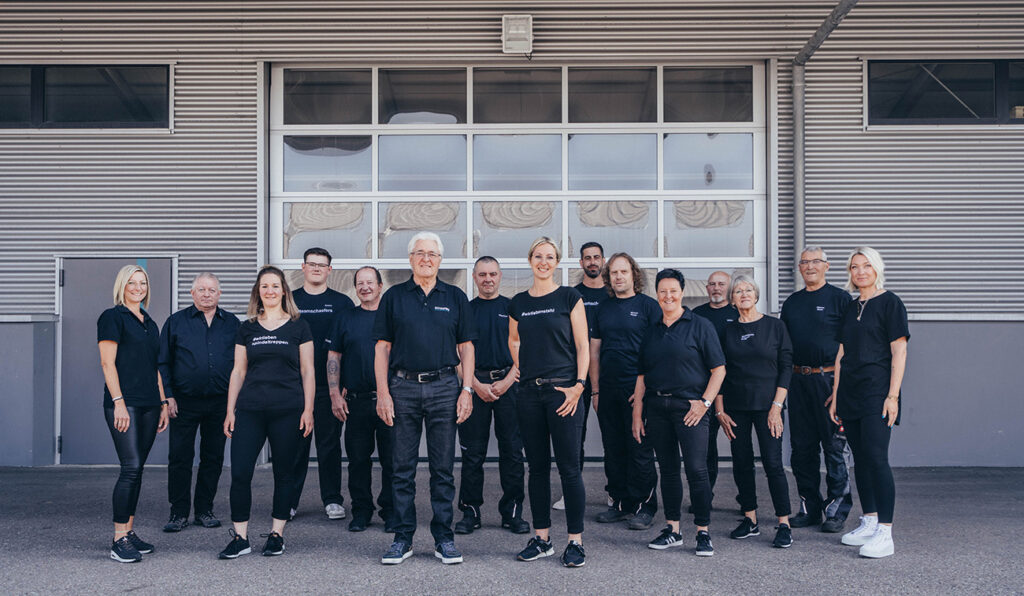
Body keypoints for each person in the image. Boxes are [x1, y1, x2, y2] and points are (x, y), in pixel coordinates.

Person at [374, 232, 475, 566]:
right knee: (401, 469)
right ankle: (402, 539)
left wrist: (467, 389)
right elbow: (382, 348)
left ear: (441, 260)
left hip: (445, 386)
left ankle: (443, 539)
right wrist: (384, 393)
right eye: (420, 253)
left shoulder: (456, 297)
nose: (426, 258)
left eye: (432, 253)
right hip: (401, 388)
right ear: (410, 259)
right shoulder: (394, 298)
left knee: (442, 469)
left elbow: (466, 348)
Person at [218, 265, 315, 560]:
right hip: (250, 410)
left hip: (288, 409)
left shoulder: (299, 325)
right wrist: (230, 410)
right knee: (240, 473)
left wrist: (308, 409)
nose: (270, 291)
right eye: (264, 286)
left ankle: (276, 534)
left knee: (284, 473)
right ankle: (240, 537)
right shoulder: (246, 327)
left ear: (284, 291)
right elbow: (238, 371)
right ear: (258, 292)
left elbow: (308, 371)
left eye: (275, 286)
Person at [631, 269, 725, 556]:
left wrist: (705, 403)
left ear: (682, 292)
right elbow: (642, 375)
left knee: (697, 471)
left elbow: (718, 370)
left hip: (690, 409)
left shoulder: (700, 325)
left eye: (673, 290)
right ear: (656, 294)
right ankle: (673, 529)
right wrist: (637, 414)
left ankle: (703, 532)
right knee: (668, 470)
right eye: (662, 291)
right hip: (658, 408)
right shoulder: (651, 330)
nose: (668, 296)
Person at [509, 237, 590, 568]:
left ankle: (575, 541)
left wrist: (579, 386)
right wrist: (521, 368)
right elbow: (514, 339)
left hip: (564, 394)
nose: (543, 261)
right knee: (537, 469)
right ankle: (542, 538)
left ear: (557, 262)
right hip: (529, 394)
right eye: (538, 256)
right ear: (530, 260)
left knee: (570, 469)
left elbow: (583, 346)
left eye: (550, 257)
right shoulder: (518, 303)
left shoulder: (570, 297)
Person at [830, 247, 909, 559]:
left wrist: (892, 396)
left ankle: (885, 533)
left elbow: (899, 353)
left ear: (877, 268)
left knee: (876, 458)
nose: (860, 272)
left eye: (866, 266)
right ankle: (870, 520)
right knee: (860, 459)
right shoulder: (851, 308)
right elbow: (841, 355)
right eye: (854, 267)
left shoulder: (891, 303)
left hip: (877, 392)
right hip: (850, 393)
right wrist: (836, 396)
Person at [97, 265, 170, 563]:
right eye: (132, 283)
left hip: (151, 404)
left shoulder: (149, 322)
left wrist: (164, 403)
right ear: (122, 286)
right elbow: (107, 364)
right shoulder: (112, 317)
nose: (138, 287)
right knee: (130, 467)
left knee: (138, 469)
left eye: (142, 283)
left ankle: (128, 531)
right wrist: (118, 402)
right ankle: (117, 539)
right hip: (124, 404)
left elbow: (156, 367)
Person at [716, 275, 795, 548]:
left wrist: (777, 406)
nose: (744, 294)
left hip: (769, 407)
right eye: (738, 291)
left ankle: (784, 522)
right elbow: (720, 372)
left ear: (757, 294)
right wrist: (719, 410)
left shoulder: (775, 326)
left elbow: (786, 368)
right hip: (736, 408)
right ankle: (750, 518)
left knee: (773, 464)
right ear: (732, 299)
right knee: (741, 463)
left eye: (748, 289)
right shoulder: (727, 331)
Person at [158, 272, 240, 533]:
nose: (207, 294)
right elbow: (162, 362)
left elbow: (241, 363)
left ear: (220, 294)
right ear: (192, 294)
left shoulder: (232, 323)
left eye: (212, 290)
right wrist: (167, 395)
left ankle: (204, 509)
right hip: (183, 402)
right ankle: (178, 512)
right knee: (180, 457)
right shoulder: (175, 323)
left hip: (219, 402)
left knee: (213, 457)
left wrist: (234, 402)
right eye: (202, 290)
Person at [780, 247, 854, 533]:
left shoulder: (840, 299)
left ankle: (835, 510)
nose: (809, 266)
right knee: (802, 449)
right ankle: (809, 507)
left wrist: (840, 388)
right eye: (804, 262)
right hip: (798, 382)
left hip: (829, 382)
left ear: (827, 266)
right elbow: (784, 348)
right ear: (799, 268)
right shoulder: (792, 303)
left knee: (835, 447)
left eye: (815, 262)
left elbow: (850, 346)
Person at [455, 257, 530, 535]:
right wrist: (474, 384)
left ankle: (512, 512)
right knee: (472, 455)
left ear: (500, 277)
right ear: (474, 277)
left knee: (512, 452)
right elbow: (457, 352)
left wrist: (509, 380)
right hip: (474, 388)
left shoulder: (512, 308)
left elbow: (523, 347)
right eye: (482, 274)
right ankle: (470, 512)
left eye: (493, 274)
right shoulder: (466, 309)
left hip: (510, 387)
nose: (488, 279)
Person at [590, 253, 660, 530]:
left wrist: (645, 391)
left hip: (637, 391)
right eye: (614, 273)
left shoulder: (648, 307)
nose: (619, 277)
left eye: (624, 272)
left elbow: (658, 350)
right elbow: (594, 352)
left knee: (640, 450)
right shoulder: (602, 308)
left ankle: (645, 506)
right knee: (614, 449)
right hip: (608, 390)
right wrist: (595, 391)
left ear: (634, 275)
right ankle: (620, 503)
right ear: (609, 278)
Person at [287, 247, 355, 521]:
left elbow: (349, 346)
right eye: (311, 264)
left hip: (329, 388)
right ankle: (289, 501)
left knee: (329, 445)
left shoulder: (341, 303)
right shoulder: (288, 301)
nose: (316, 268)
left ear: (330, 270)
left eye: (321, 265)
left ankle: (332, 500)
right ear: (302, 268)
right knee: (295, 446)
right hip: (294, 387)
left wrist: (343, 386)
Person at [326, 266, 395, 533]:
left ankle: (390, 511)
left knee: (392, 460)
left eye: (370, 282)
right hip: (355, 401)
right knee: (357, 460)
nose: (365, 287)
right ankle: (362, 511)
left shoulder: (392, 318)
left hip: (389, 400)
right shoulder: (345, 318)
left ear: (380, 286)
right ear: (355, 288)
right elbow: (334, 357)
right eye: (360, 283)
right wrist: (334, 393)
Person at [552, 241, 607, 511]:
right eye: (588, 258)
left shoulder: (612, 294)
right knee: (575, 437)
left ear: (603, 261)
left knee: (613, 436)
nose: (593, 262)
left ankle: (614, 492)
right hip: (576, 376)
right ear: (581, 263)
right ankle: (570, 492)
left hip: (609, 375)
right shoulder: (572, 295)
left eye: (597, 257)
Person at [692, 271, 739, 504]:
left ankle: (746, 500)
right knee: (706, 448)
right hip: (706, 389)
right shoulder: (697, 315)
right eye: (712, 284)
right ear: (706, 288)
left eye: (721, 284)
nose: (716, 288)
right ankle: (704, 496)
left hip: (736, 389)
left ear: (729, 288)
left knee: (740, 447)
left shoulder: (738, 313)